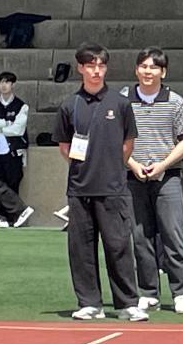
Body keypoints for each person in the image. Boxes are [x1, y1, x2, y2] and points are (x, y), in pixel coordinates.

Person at [51, 43, 146, 322]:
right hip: (80, 188)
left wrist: (111, 166)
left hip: (113, 187)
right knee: (81, 249)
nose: (96, 71)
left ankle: (127, 303)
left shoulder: (120, 103)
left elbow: (128, 143)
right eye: (90, 66)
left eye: (101, 65)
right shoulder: (70, 105)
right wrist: (85, 166)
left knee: (118, 246)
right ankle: (90, 302)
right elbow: (64, 146)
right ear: (80, 68)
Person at [123, 47, 183, 315]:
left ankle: (181, 291)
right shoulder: (123, 100)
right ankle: (149, 292)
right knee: (140, 236)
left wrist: (162, 165)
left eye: (153, 67)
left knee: (173, 235)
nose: (148, 71)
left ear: (163, 72)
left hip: (168, 177)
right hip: (132, 177)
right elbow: (115, 139)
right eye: (143, 66)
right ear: (136, 70)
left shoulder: (175, 102)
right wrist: (133, 164)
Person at [0, 71, 34, 228]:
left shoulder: (21, 105)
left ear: (13, 85)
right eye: (1, 82)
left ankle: (8, 217)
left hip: (13, 151)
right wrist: (7, 123)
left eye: (7, 82)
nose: (3, 85)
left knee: (12, 183)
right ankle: (20, 210)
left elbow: (18, 130)